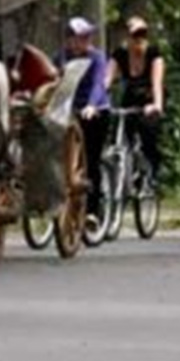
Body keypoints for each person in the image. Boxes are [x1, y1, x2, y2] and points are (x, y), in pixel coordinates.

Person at [58, 17, 110, 219]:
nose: (87, 40)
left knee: (91, 158)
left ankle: (93, 212)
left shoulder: (97, 57)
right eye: (82, 36)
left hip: (95, 111)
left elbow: (98, 83)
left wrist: (91, 105)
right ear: (69, 40)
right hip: (70, 111)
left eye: (88, 36)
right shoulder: (62, 57)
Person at [108, 15, 165, 178]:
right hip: (130, 98)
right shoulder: (120, 54)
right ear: (127, 37)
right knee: (119, 132)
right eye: (135, 35)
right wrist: (97, 99)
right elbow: (106, 79)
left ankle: (152, 173)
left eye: (143, 34)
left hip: (149, 98)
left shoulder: (154, 54)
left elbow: (157, 82)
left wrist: (157, 105)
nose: (139, 39)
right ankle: (122, 177)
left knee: (148, 132)